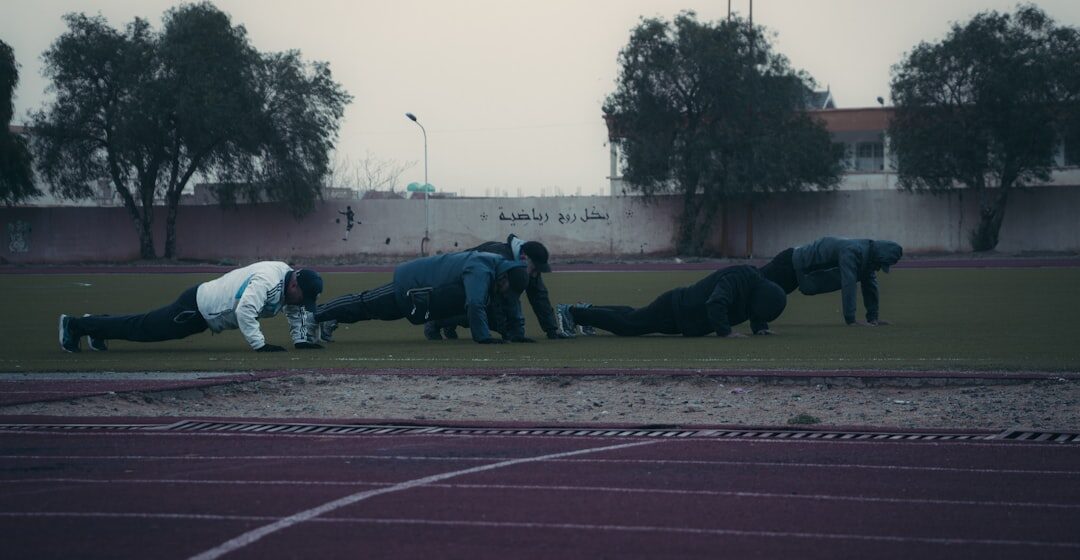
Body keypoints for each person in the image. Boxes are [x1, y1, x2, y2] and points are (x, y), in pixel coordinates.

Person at [58, 262, 324, 353]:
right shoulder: (267, 280)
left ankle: (97, 326)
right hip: (195, 309)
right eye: (303, 298)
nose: (301, 304)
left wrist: (301, 340)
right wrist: (260, 345)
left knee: (142, 327)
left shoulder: (288, 282)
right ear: (294, 285)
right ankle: (74, 325)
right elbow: (244, 310)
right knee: (143, 329)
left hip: (203, 311)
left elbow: (295, 312)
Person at [314, 250, 532, 344]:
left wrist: (517, 334)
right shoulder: (481, 269)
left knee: (370, 311)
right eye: (506, 288)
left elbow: (512, 302)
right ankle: (316, 314)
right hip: (411, 286)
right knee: (366, 305)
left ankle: (328, 319)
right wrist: (483, 338)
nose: (506, 293)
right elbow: (475, 304)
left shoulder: (501, 270)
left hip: (423, 297)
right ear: (504, 277)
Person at [554, 265, 786, 338]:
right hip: (676, 309)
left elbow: (754, 308)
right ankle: (572, 312)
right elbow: (715, 302)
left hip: (685, 320)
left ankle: (587, 311)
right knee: (628, 326)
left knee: (631, 315)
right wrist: (726, 332)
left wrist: (760, 327)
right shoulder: (738, 278)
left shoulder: (757, 287)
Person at [423, 234, 572, 340]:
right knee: (480, 310)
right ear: (525, 257)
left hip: (473, 285)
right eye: (535, 269)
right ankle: (436, 323)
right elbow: (498, 301)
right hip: (460, 281)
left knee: (487, 313)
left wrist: (551, 330)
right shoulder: (497, 258)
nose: (535, 274)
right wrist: (509, 332)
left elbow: (539, 296)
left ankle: (450, 323)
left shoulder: (526, 266)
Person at [758, 236, 903, 326]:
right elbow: (849, 283)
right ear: (877, 256)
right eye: (880, 265)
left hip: (797, 274)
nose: (878, 269)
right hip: (788, 265)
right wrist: (851, 320)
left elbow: (870, 285)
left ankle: (757, 322)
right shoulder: (853, 251)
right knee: (757, 286)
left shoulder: (869, 258)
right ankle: (754, 324)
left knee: (767, 294)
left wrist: (873, 318)